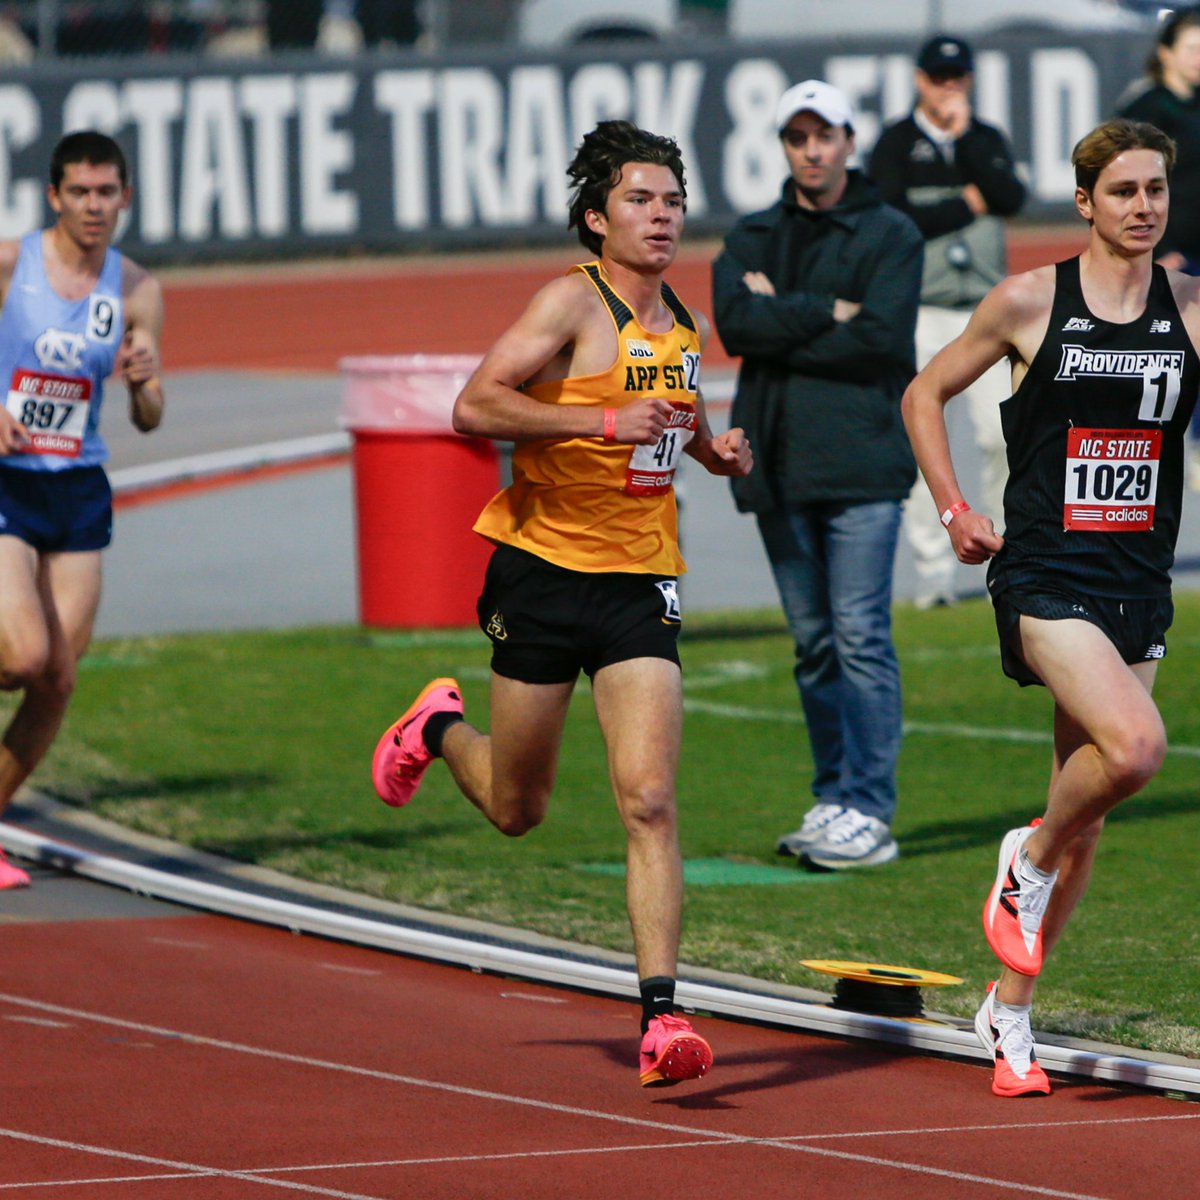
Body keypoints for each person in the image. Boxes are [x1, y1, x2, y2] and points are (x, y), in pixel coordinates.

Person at [371, 120, 752, 1088]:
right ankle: (438, 724)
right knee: (516, 807)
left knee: (651, 798)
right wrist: (598, 417)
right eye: (639, 200)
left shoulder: (685, 324)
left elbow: (673, 415)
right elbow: (473, 406)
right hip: (542, 572)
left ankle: (663, 1018)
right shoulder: (567, 306)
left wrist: (711, 451)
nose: (661, 216)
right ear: (597, 217)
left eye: (671, 201)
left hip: (640, 580)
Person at [901, 118, 1197, 1098]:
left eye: (1156, 190)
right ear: (1085, 203)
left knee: (1093, 819)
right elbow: (923, 393)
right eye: (1124, 192)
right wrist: (953, 508)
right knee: (1139, 749)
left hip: (1137, 583)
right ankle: (1022, 858)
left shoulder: (1191, 309)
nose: (1144, 207)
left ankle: (1010, 1013)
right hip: (1044, 572)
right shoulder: (1031, 301)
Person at [711, 80, 923, 870]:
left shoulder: (891, 232)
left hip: (865, 465)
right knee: (813, 644)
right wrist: (824, 310)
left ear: (847, 141)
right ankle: (834, 796)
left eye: (823, 135)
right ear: (785, 145)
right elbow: (735, 324)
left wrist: (784, 315)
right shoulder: (753, 232)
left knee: (861, 637)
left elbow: (879, 338)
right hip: (779, 465)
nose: (812, 149)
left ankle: (870, 810)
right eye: (797, 137)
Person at [0, 131, 165, 889]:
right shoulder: (12, 265)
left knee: (56, 680)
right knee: (24, 655)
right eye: (80, 193)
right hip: (7, 482)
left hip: (77, 491)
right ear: (53, 197)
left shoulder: (136, 287)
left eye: (107, 193)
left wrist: (142, 380)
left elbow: (151, 415)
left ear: (124, 197)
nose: (94, 207)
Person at [870, 34, 1027, 609]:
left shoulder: (983, 138)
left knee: (999, 438)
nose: (949, 86)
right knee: (924, 443)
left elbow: (1011, 195)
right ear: (919, 80)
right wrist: (964, 203)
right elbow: (893, 220)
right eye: (939, 77)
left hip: (985, 315)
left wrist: (965, 142)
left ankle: (1003, 562)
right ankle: (934, 575)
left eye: (958, 76)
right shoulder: (896, 143)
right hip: (922, 310)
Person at [1118, 6, 1200, 488]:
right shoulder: (1146, 108)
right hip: (1171, 253)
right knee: (1168, 352)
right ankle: (1167, 443)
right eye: (1191, 48)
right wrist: (1152, 248)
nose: (1198, 59)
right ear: (1166, 52)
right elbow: (1122, 183)